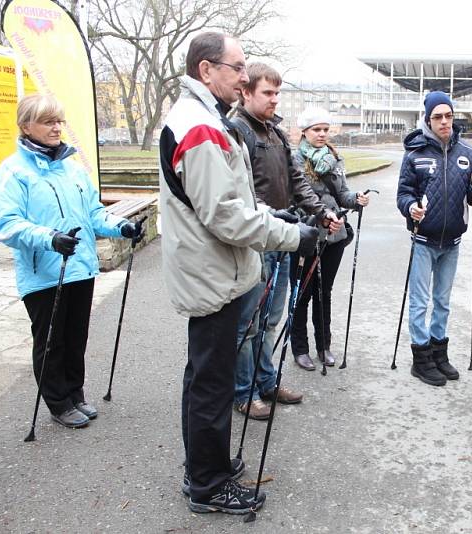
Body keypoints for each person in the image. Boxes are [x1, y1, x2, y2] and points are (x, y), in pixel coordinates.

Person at [158, 32, 317, 515]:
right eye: (238, 66)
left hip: (212, 271)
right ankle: (207, 485)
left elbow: (230, 200)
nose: (244, 76)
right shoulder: (200, 126)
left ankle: (204, 467)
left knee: (205, 376)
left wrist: (278, 218)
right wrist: (292, 236)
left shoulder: (202, 118)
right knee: (211, 382)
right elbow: (223, 214)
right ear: (208, 70)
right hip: (213, 275)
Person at [0, 94, 143, 430]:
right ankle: (58, 402)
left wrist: (122, 226)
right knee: (50, 341)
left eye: (58, 121)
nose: (56, 127)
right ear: (26, 126)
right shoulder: (13, 171)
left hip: (79, 267)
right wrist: (49, 238)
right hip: (43, 272)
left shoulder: (73, 169)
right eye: (48, 121)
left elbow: (93, 213)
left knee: (76, 336)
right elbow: (7, 225)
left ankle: (75, 394)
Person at [230, 63, 342, 419]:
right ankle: (244, 392)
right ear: (247, 92)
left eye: (278, 93)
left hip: (283, 237)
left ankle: (266, 381)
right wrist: (273, 219)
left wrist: (321, 211)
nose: (275, 100)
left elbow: (297, 181)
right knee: (248, 322)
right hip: (256, 238)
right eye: (268, 93)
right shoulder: (237, 131)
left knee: (272, 317)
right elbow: (240, 193)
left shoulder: (276, 134)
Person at [396, 91, 472, 387]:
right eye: (438, 117)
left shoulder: (469, 154)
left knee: (443, 301)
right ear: (428, 119)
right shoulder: (415, 154)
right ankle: (421, 359)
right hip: (423, 240)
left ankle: (439, 352)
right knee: (420, 301)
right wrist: (411, 208)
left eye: (448, 115)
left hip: (453, 242)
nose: (444, 121)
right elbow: (404, 194)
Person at [290, 107, 370, 370]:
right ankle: (300, 349)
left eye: (325, 129)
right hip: (304, 234)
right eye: (316, 129)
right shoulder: (293, 159)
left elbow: (343, 194)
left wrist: (356, 200)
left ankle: (323, 346)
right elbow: (292, 197)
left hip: (333, 235)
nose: (322, 134)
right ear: (304, 131)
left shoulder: (334, 157)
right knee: (301, 293)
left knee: (324, 292)